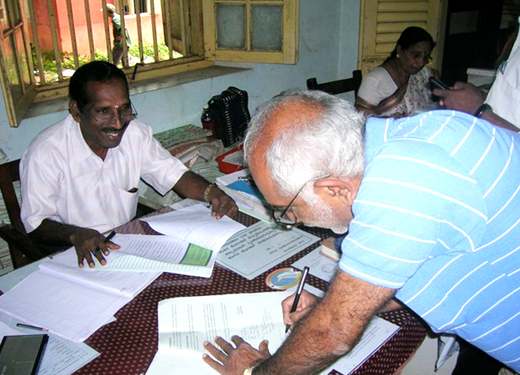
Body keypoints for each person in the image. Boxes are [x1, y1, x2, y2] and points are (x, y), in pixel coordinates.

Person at [202, 91, 520, 375]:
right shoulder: (408, 136)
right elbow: (406, 267)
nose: (293, 220)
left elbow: (332, 333)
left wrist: (253, 373)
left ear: (335, 189)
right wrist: (334, 304)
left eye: (289, 210)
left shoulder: (398, 189)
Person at [20, 61, 237, 269]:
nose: (117, 122)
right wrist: (76, 234)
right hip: (72, 251)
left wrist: (213, 193)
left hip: (126, 243)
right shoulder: (46, 153)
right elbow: (35, 224)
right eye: (103, 111)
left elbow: (172, 173)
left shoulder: (134, 133)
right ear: (76, 111)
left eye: (124, 109)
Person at [355, 26, 438, 117]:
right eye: (416, 55)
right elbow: (360, 117)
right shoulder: (375, 80)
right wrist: (388, 120)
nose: (421, 63)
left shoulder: (424, 74)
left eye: (426, 57)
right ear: (400, 50)